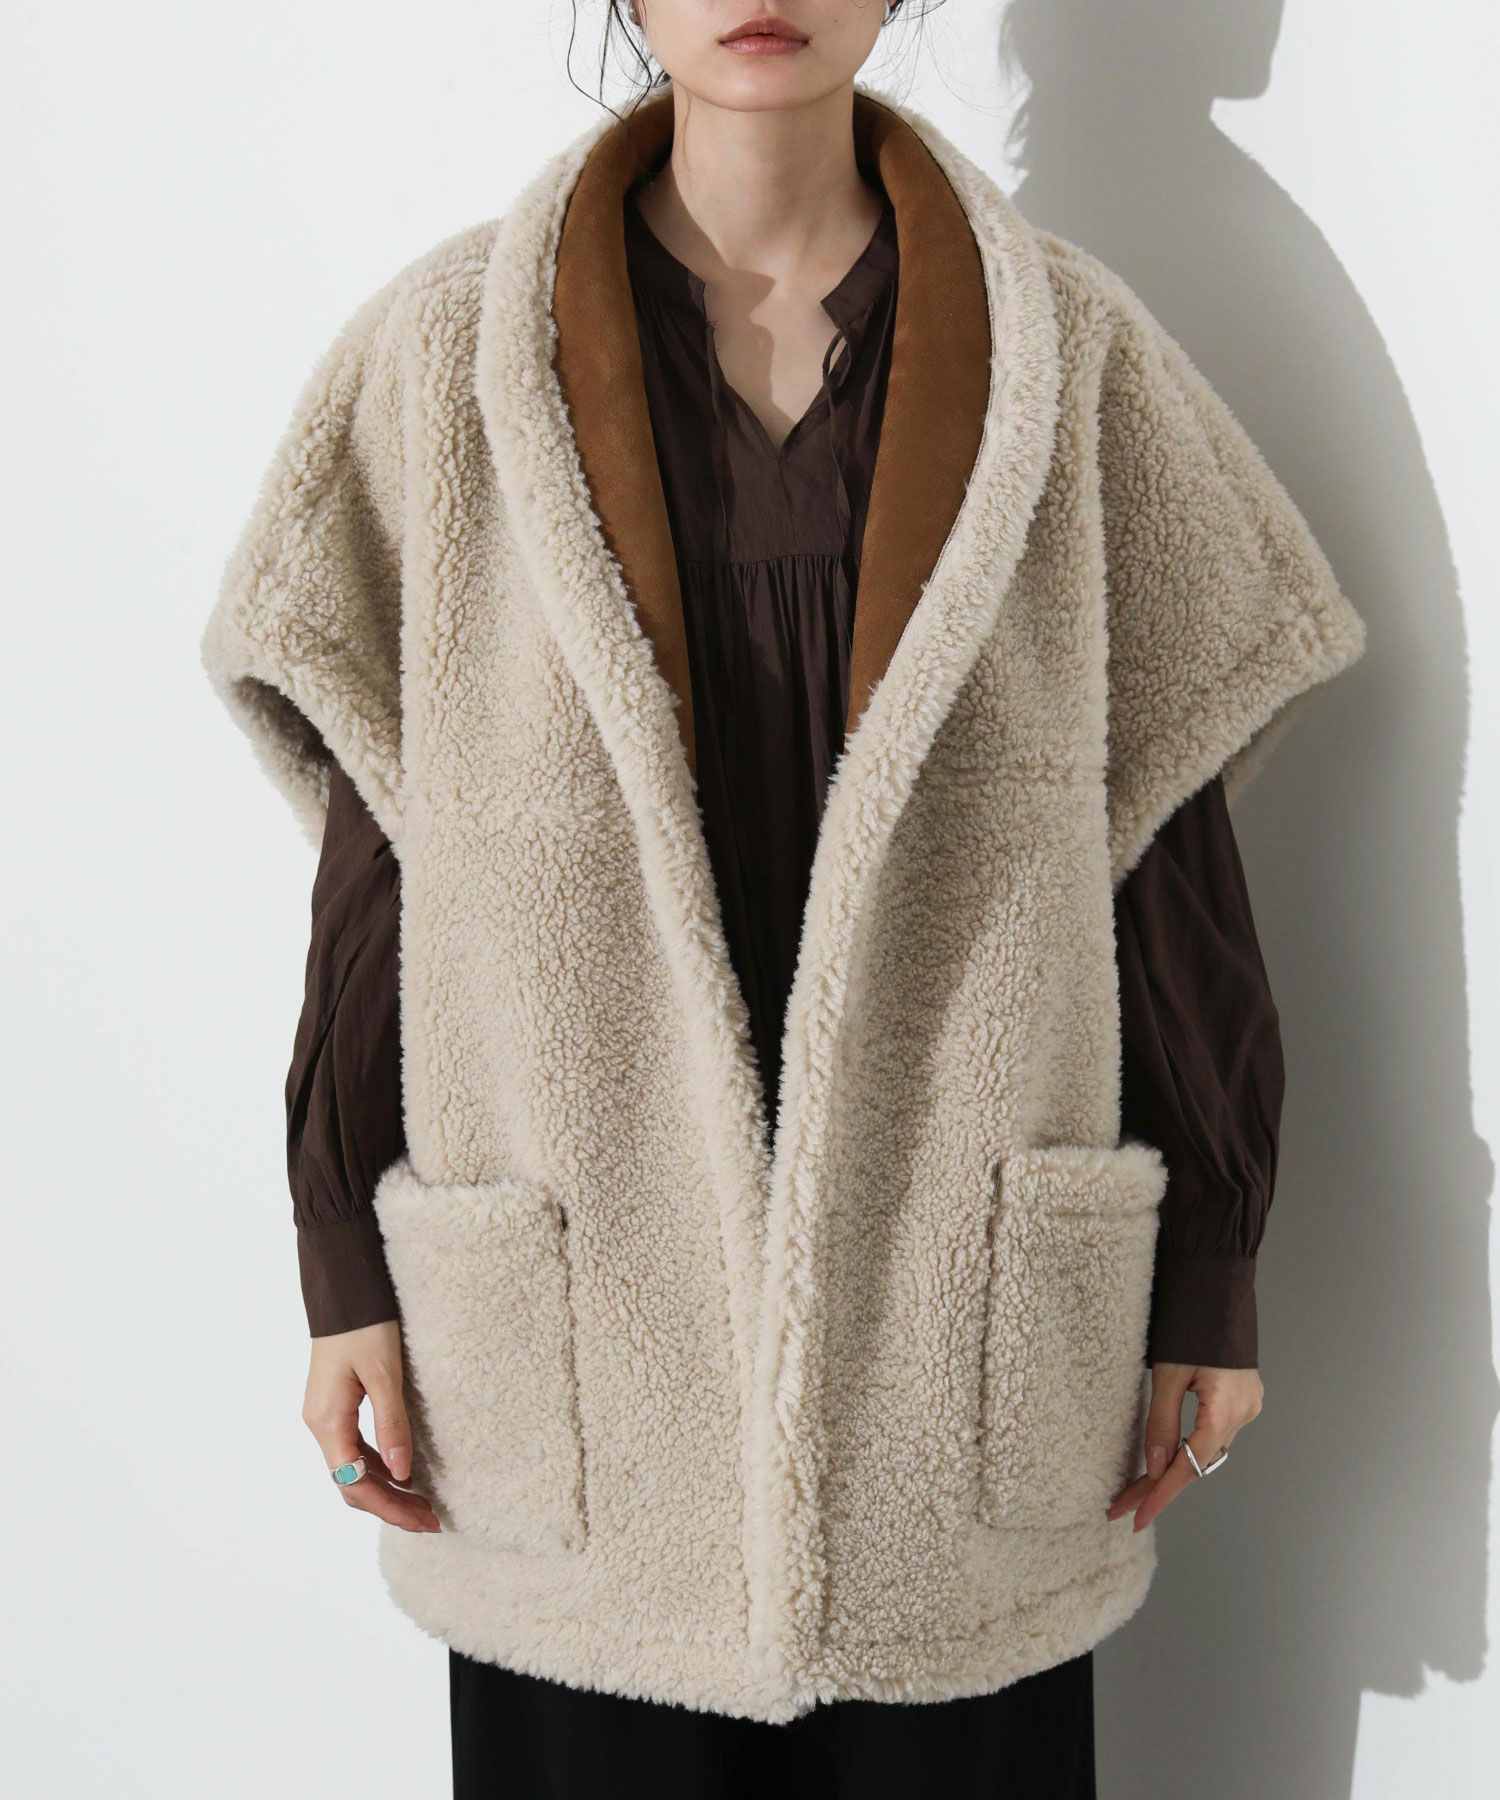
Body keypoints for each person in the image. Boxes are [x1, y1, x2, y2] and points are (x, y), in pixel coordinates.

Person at [202, 4, 1365, 1794]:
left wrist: (1211, 1257)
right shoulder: (442, 360)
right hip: (582, 1367)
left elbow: (1164, 838)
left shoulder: (1069, 357)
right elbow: (384, 854)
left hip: (950, 1367)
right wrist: (343, 1253)